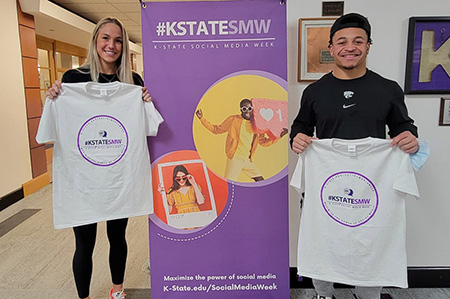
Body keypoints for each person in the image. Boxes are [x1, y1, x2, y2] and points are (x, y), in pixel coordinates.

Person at [290, 13, 418, 299]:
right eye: (342, 42)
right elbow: (301, 125)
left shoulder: (387, 89)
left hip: (371, 184)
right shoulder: (315, 92)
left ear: (369, 46)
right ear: (332, 48)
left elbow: (402, 125)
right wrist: (296, 137)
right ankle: (323, 294)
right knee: (321, 239)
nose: (351, 47)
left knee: (370, 241)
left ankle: (368, 295)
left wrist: (410, 136)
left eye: (358, 41)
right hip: (325, 180)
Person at [45, 17, 153, 299]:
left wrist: (145, 102)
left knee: (118, 236)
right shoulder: (72, 80)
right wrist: (55, 97)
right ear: (95, 41)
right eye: (105, 38)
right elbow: (53, 132)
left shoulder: (133, 82)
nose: (111, 45)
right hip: (84, 179)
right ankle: (84, 297)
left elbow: (146, 126)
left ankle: (117, 291)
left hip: (119, 178)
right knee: (84, 242)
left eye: (118, 40)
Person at [196, 99, 288, 181]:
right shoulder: (233, 120)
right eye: (244, 109)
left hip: (247, 160)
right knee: (229, 184)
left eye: (249, 108)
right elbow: (216, 130)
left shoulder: (257, 124)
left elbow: (263, 142)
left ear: (253, 109)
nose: (247, 111)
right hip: (235, 159)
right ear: (241, 110)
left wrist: (279, 136)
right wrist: (202, 119)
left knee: (260, 180)